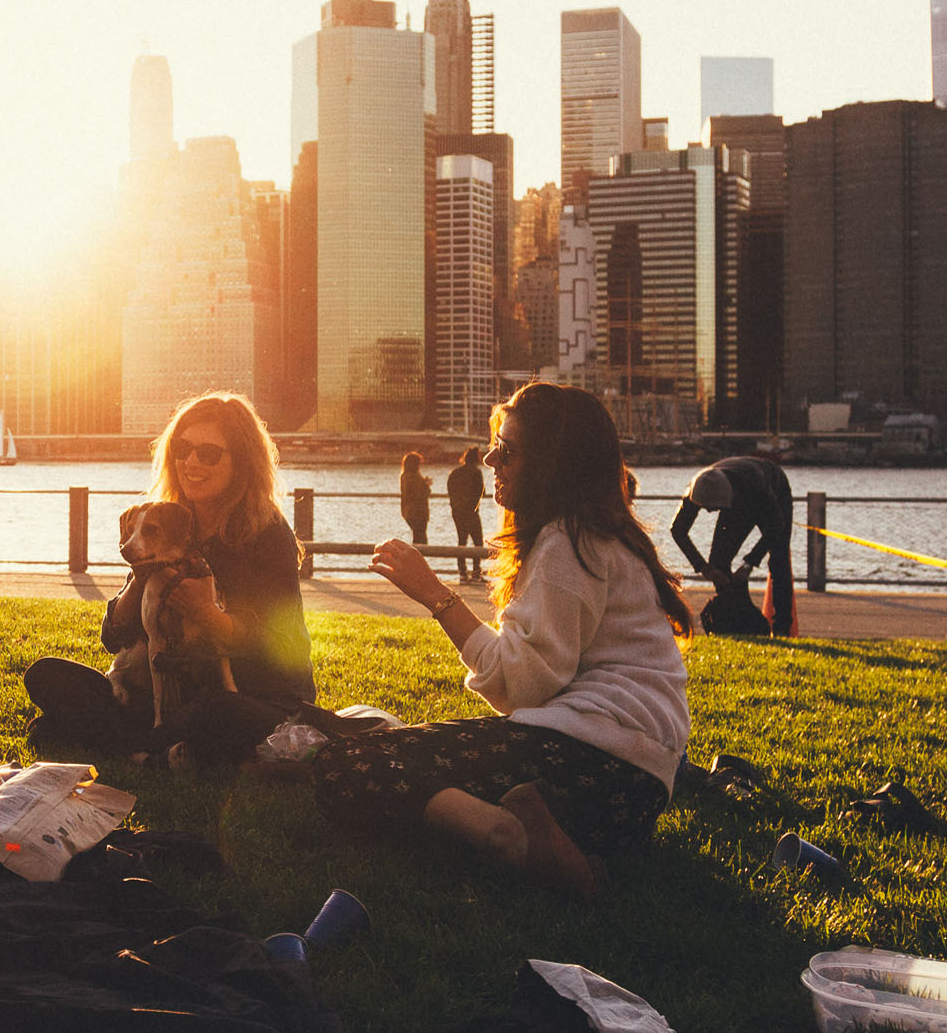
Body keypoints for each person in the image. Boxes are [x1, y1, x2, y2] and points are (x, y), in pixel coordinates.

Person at [314, 382, 695, 899]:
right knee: (398, 751)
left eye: (508, 450)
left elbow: (521, 686)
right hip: (635, 790)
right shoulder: (603, 536)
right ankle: (547, 840)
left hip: (589, 763)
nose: (491, 458)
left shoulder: (566, 542)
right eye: (495, 442)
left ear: (553, 464)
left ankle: (509, 838)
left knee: (350, 764)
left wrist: (434, 595)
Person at [23, 392, 318, 768]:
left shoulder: (266, 533)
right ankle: (161, 748)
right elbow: (114, 638)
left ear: (242, 462)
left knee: (215, 711)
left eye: (209, 453)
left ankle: (129, 744)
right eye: (182, 448)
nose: (191, 462)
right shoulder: (165, 521)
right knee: (46, 674)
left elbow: (281, 646)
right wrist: (139, 581)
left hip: (250, 695)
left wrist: (207, 615)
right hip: (170, 692)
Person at [670, 456, 796, 637]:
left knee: (779, 558)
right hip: (735, 494)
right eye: (705, 507)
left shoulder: (755, 486)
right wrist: (704, 568)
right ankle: (736, 617)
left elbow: (777, 527)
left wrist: (748, 564)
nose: (709, 512)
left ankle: (782, 628)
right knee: (718, 562)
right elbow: (678, 530)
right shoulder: (695, 489)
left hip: (773, 487)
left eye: (714, 508)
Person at [447, 447, 486, 584]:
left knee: (461, 541)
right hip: (471, 511)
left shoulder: (455, 472)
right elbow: (481, 491)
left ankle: (462, 573)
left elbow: (450, 490)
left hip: (457, 512)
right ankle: (476, 573)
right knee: (478, 543)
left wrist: (455, 506)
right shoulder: (476, 472)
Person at [398, 451, 432, 546]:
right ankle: (418, 559)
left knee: (416, 536)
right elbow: (421, 494)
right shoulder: (415, 477)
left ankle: (414, 558)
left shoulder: (404, 476)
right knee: (421, 539)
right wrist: (427, 485)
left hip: (408, 511)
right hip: (419, 512)